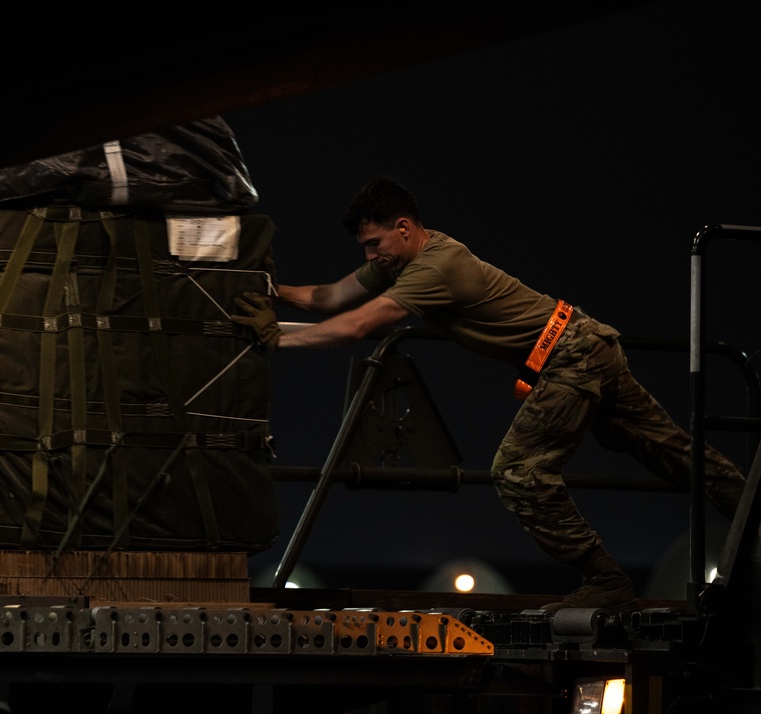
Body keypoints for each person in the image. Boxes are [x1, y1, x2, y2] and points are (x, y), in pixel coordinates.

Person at [232, 175, 746, 612]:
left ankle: (605, 580)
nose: (370, 257)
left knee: (518, 473)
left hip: (572, 356)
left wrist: (278, 336)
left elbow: (358, 325)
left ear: (404, 229)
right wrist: (272, 291)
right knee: (668, 451)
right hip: (587, 345)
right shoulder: (405, 259)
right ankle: (749, 505)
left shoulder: (434, 268)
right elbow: (333, 296)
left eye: (375, 245)